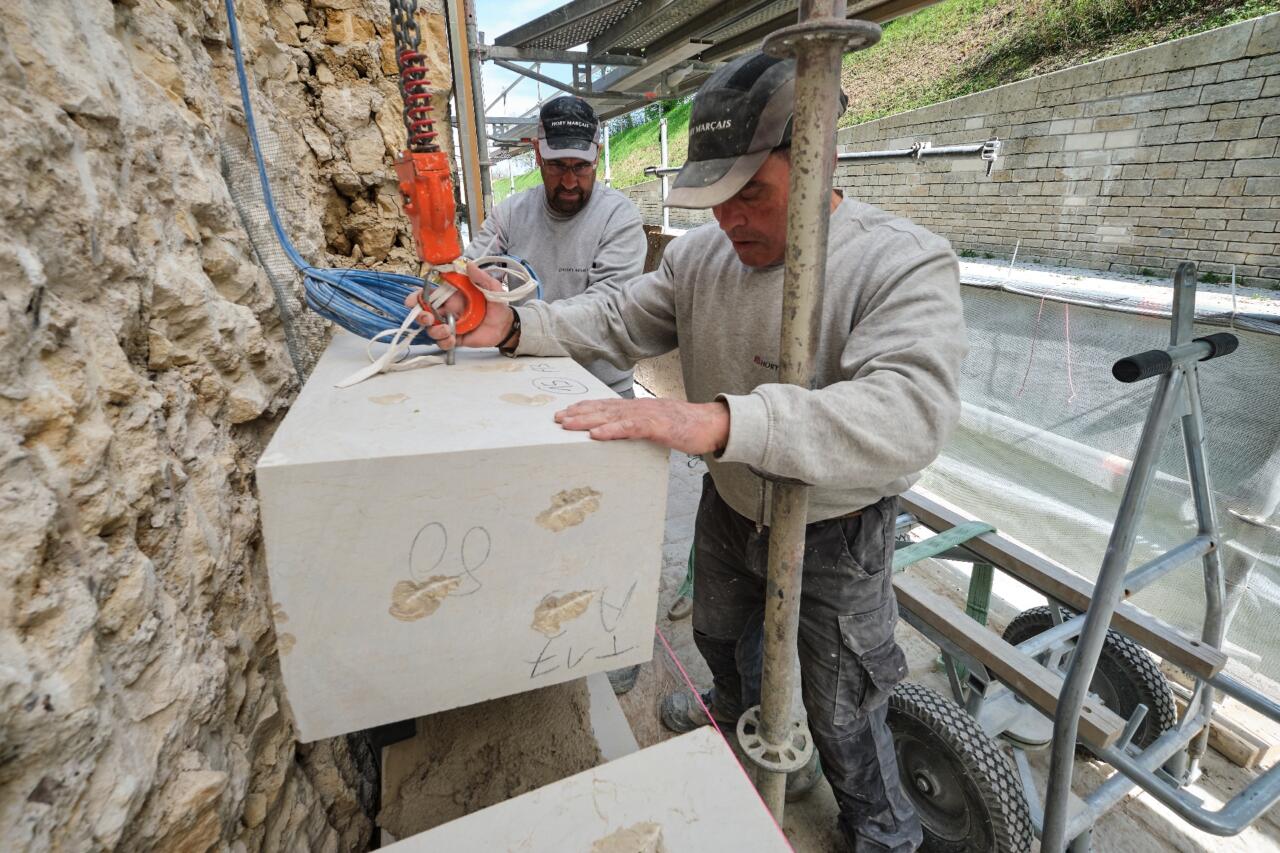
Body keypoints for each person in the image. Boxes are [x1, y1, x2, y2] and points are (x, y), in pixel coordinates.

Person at [414, 51, 967, 852]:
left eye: (754, 195)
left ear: (819, 160)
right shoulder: (703, 258)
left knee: (845, 704)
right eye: (717, 201)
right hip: (732, 502)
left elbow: (911, 411)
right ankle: (743, 725)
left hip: (836, 528)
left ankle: (883, 831)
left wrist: (719, 422)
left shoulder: (898, 260)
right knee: (719, 635)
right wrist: (513, 327)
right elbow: (615, 319)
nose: (733, 220)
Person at [465, 95, 647, 398]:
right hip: (525, 380)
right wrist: (458, 290)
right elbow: (474, 271)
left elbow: (606, 310)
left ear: (597, 156)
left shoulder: (618, 218)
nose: (570, 181)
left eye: (581, 167)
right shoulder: (510, 214)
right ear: (537, 153)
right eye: (557, 165)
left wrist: (516, 325)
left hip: (602, 389)